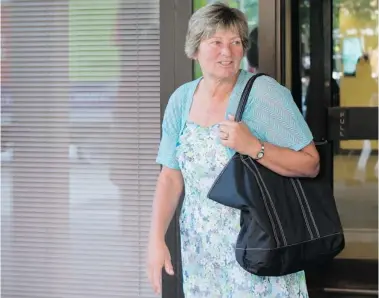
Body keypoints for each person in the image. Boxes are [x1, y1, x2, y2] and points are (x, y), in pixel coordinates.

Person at [147, 3, 320, 297]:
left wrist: (254, 146)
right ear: (195, 48)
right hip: (202, 254)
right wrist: (155, 239)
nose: (227, 53)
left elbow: (310, 163)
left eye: (235, 42)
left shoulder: (266, 94)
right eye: (216, 42)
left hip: (260, 246)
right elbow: (170, 177)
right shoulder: (181, 100)